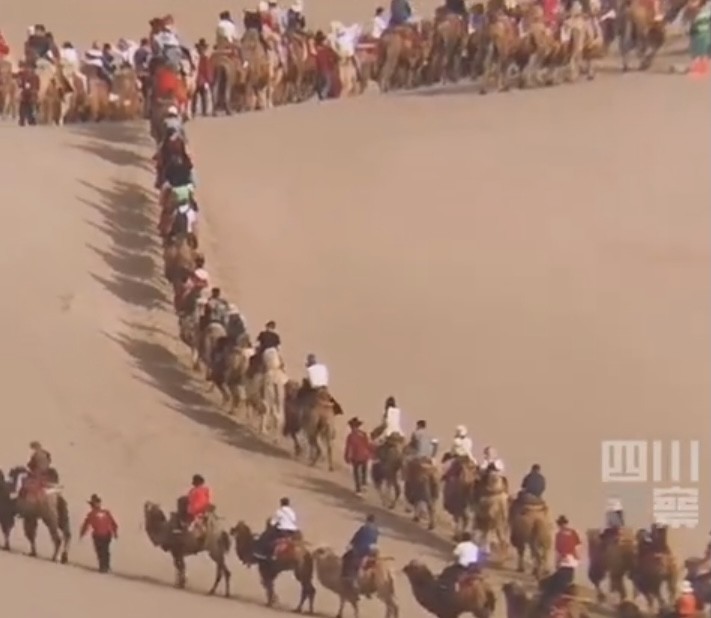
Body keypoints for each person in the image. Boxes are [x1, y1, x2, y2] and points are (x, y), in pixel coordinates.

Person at [539, 516, 581, 608]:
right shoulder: (573, 532)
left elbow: (558, 552)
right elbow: (578, 548)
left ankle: (547, 606)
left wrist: (557, 564)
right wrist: (576, 559)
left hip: (564, 565)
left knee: (550, 588)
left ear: (559, 525)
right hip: (572, 565)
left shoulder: (559, 535)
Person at [80, 494, 118, 573]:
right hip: (106, 534)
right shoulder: (106, 512)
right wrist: (115, 533)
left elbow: (86, 525)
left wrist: (82, 534)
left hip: (98, 535)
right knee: (105, 550)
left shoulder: (91, 514)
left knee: (100, 551)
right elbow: (114, 523)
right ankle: (106, 566)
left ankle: (103, 566)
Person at [342, 514, 379, 588]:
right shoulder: (376, 531)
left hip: (360, 550)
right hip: (370, 551)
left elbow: (356, 537)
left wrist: (351, 544)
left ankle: (346, 575)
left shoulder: (363, 528)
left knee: (346, 557)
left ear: (367, 520)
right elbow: (375, 541)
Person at [345, 418, 372, 493]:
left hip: (356, 456)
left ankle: (359, 488)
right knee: (364, 470)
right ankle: (363, 484)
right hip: (364, 455)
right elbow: (367, 444)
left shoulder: (350, 436)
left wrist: (346, 457)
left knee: (356, 472)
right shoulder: (363, 434)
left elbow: (348, 447)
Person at [688, 0, 711, 77]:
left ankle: (702, 69)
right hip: (697, 29)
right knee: (698, 50)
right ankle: (700, 68)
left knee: (701, 50)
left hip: (702, 30)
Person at [16, 61, 39, 127]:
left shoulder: (35, 77)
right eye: (28, 67)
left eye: (31, 68)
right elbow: (20, 84)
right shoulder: (23, 75)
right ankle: (22, 119)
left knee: (30, 107)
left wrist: (34, 92)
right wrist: (19, 83)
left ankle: (31, 119)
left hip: (31, 93)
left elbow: (37, 86)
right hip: (24, 93)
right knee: (23, 106)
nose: (29, 69)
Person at [193, 39, 213, 117]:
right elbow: (207, 70)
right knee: (204, 96)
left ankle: (193, 111)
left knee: (195, 96)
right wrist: (209, 80)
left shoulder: (195, 57)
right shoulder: (205, 58)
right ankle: (204, 111)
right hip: (203, 80)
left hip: (195, 79)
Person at [313, 31, 333, 100]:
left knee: (321, 82)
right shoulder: (326, 50)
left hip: (319, 69)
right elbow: (329, 59)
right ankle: (323, 94)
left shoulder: (316, 49)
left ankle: (320, 93)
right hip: (326, 69)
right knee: (328, 83)